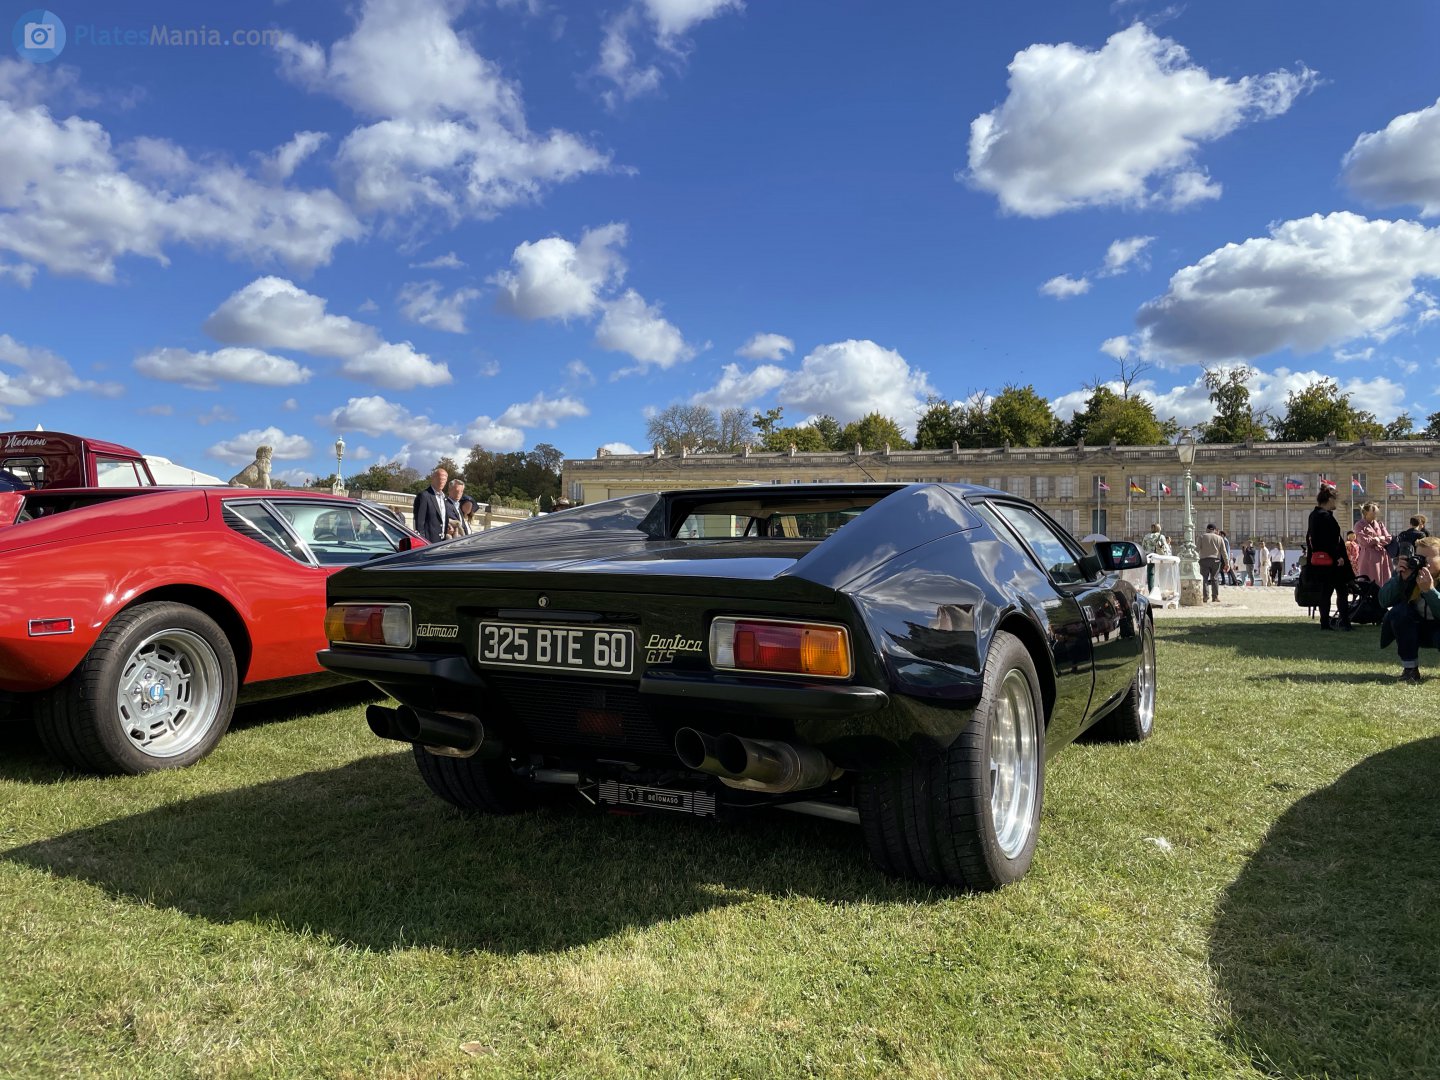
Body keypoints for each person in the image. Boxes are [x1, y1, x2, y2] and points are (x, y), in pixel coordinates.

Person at [1378, 537, 1440, 683]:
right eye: (1419, 557)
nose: (1423, 562)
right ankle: (1410, 669)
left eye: (1429, 558)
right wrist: (1400, 579)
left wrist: (1430, 591)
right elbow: (1383, 601)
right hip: (1415, 629)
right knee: (1399, 612)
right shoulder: (1409, 572)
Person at [1305, 486, 1354, 631]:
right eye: (1335, 500)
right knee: (1341, 592)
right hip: (1332, 562)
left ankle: (1325, 622)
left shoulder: (1314, 515)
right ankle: (1344, 622)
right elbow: (1328, 541)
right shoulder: (1325, 516)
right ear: (1329, 499)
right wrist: (1337, 556)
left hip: (1322, 561)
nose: (1336, 503)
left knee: (1326, 592)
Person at [1353, 501, 1392, 585]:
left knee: (1384, 582)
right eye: (1373, 510)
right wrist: (1378, 539)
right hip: (1368, 557)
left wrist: (1375, 540)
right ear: (1366, 512)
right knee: (1369, 582)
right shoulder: (1359, 525)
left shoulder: (1380, 524)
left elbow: (1388, 538)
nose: (1376, 512)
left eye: (1376, 510)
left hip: (1382, 556)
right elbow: (1364, 541)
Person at [412, 466, 449, 543]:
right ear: (433, 479)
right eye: (439, 479)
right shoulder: (424, 496)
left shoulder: (444, 498)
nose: (442, 482)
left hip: (442, 541)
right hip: (428, 542)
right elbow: (419, 523)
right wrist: (423, 541)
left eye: (444, 480)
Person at [1196, 523, 1226, 602]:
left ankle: (1205, 596)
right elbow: (1224, 552)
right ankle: (1215, 597)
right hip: (1215, 560)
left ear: (1207, 529)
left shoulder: (1202, 537)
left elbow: (1196, 550)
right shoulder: (1219, 538)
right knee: (1215, 578)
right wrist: (1227, 563)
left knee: (1205, 579)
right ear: (1215, 530)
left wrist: (1195, 560)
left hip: (1204, 560)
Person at [1138, 522, 1170, 593]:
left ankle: (1151, 590)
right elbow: (1165, 548)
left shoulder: (1146, 536)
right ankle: (1160, 589)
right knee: (1161, 573)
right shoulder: (1161, 536)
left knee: (1150, 573)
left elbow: (1143, 547)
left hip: (1149, 556)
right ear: (1159, 528)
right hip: (1159, 557)